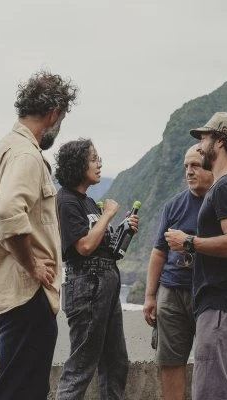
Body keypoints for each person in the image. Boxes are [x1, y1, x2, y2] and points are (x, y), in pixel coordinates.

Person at [0, 70, 77, 400]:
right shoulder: (26, 154)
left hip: (7, 293)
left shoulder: (4, 148)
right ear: (53, 114)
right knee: (23, 391)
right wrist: (32, 265)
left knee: (17, 386)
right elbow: (5, 212)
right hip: (27, 293)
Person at [165, 111, 227, 400]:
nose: (201, 143)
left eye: (204, 137)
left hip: (221, 308)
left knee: (213, 393)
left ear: (219, 142)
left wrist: (189, 242)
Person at [54, 138, 139, 400]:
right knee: (81, 366)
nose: (99, 165)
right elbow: (83, 246)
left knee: (115, 362)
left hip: (105, 282)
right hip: (87, 285)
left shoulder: (88, 202)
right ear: (78, 164)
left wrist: (124, 229)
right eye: (94, 159)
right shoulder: (67, 200)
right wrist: (108, 215)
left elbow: (106, 249)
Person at [142, 144, 213, 400]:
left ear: (211, 166)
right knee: (169, 361)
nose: (189, 172)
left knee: (213, 361)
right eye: (186, 166)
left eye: (195, 165)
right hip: (170, 293)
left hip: (209, 293)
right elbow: (159, 252)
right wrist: (150, 297)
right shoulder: (174, 206)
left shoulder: (224, 204)